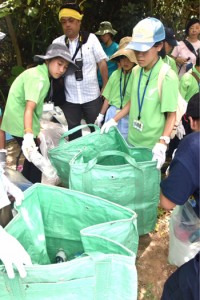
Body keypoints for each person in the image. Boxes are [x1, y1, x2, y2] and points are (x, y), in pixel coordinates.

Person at [101, 17, 179, 170]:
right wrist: (114, 120)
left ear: (159, 46)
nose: (139, 56)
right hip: (132, 139)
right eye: (136, 50)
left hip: (151, 146)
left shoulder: (167, 76)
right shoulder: (136, 71)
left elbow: (172, 114)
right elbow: (133, 101)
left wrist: (162, 143)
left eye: (144, 50)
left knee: (147, 186)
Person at [1, 43, 77, 183]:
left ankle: (26, 185)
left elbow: (35, 108)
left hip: (19, 120)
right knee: (36, 160)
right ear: (48, 60)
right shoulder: (39, 78)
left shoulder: (40, 74)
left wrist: (35, 132)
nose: (61, 70)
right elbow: (29, 108)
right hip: (20, 121)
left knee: (31, 157)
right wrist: (29, 135)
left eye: (65, 67)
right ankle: (34, 190)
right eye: (59, 64)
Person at [160, 92, 200, 300]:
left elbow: (167, 202)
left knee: (174, 291)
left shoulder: (193, 145)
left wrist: (168, 179)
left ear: (191, 121)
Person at [52, 2, 108, 141]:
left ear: (79, 21)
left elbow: (102, 62)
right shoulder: (58, 43)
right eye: (64, 22)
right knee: (73, 131)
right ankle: (78, 158)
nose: (67, 25)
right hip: (69, 98)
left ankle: (99, 157)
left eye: (71, 21)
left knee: (97, 129)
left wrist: (105, 86)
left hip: (92, 96)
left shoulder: (91, 39)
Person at [95, 37, 137, 139]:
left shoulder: (137, 75)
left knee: (126, 144)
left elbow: (133, 101)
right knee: (110, 141)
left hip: (129, 115)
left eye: (129, 58)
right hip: (112, 113)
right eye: (122, 58)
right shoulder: (115, 74)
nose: (125, 62)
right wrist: (101, 115)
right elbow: (107, 98)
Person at [95, 21, 119, 89]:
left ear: (109, 34)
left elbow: (119, 67)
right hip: (98, 83)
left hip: (111, 84)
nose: (102, 37)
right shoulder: (100, 47)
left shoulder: (116, 48)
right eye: (101, 35)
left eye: (104, 34)